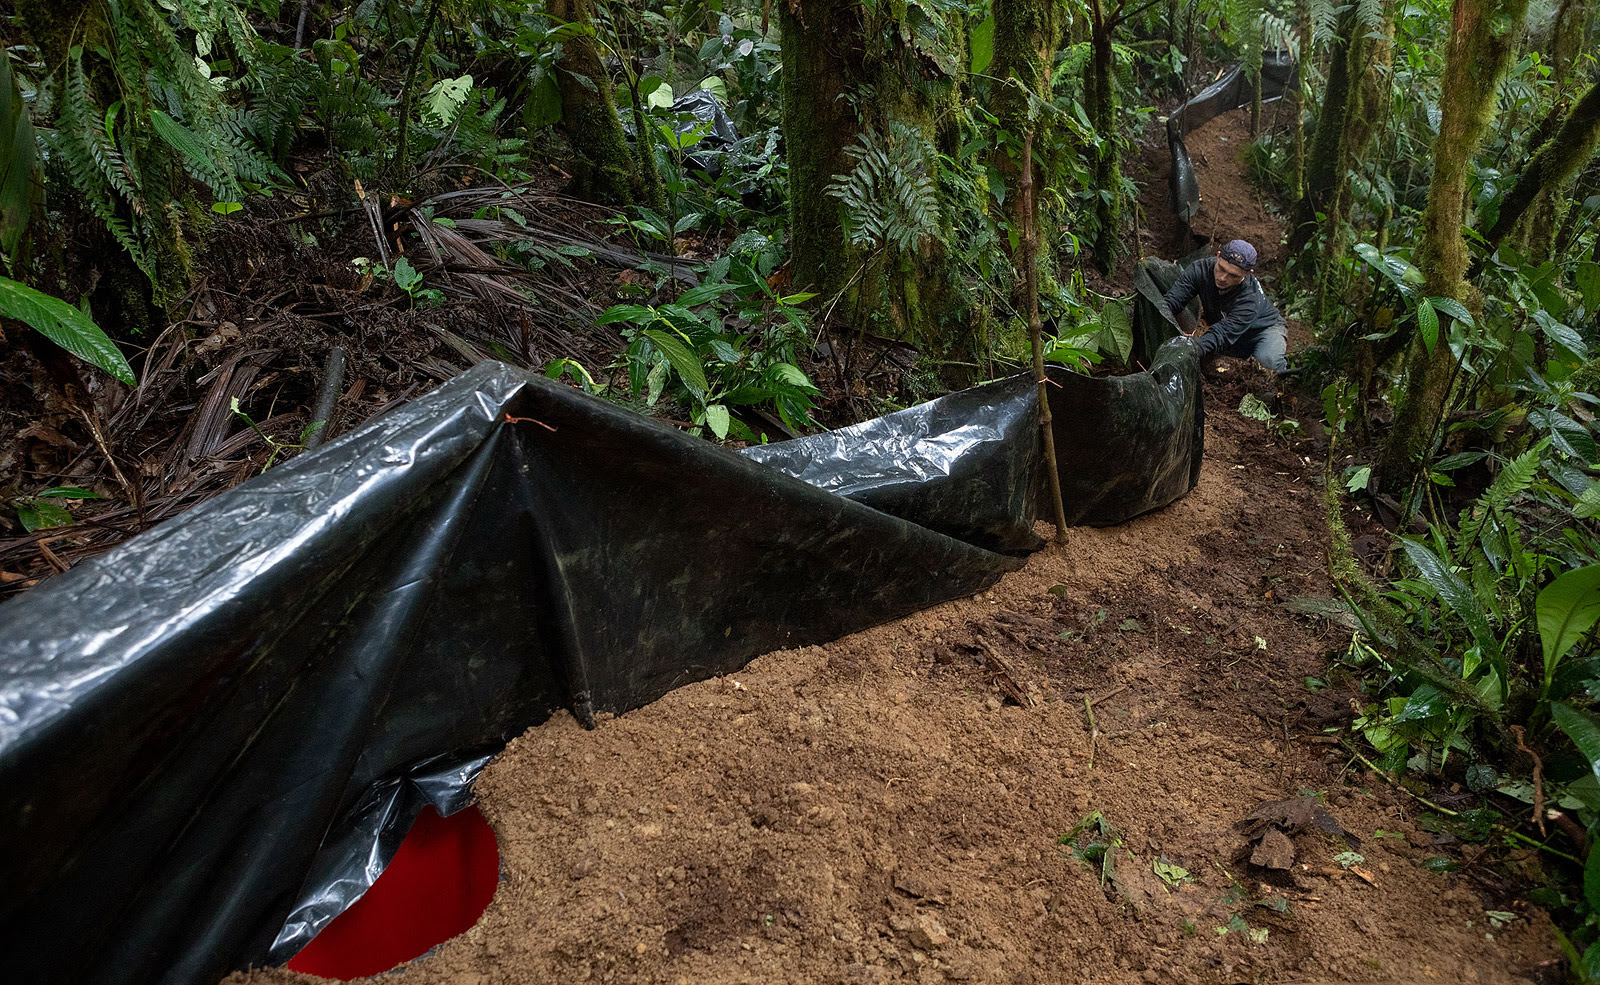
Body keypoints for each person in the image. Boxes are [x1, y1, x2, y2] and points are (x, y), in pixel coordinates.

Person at [1161, 239, 1288, 372]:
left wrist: (1189, 350)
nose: (1222, 278)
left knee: (1267, 363)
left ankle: (1281, 374)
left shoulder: (1250, 299)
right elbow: (1173, 301)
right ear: (1218, 255)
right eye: (1221, 268)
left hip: (1263, 330)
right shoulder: (1200, 269)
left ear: (1248, 273)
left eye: (1233, 275)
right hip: (1231, 331)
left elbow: (1222, 334)